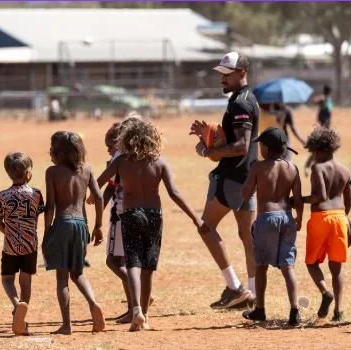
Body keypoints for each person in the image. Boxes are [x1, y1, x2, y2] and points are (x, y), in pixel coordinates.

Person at [98, 116, 206, 331]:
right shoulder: (160, 162)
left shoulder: (121, 162)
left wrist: (91, 197)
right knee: (148, 267)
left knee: (133, 264)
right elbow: (174, 193)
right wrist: (196, 218)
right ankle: (144, 316)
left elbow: (100, 182)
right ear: (154, 138)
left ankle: (136, 307)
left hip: (130, 215)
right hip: (154, 216)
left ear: (126, 139)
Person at [190, 51, 259, 308]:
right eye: (222, 75)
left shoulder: (240, 103)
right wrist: (209, 137)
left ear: (242, 73)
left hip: (232, 176)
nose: (223, 80)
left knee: (205, 226)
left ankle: (234, 286)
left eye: (227, 75)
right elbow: (235, 141)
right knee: (246, 235)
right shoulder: (247, 99)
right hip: (246, 175)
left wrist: (209, 151)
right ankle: (253, 294)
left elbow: (241, 145)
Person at [43, 131, 105, 335]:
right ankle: (93, 303)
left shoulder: (52, 172)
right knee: (78, 273)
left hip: (62, 223)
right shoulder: (86, 169)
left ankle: (66, 324)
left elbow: (50, 206)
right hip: (81, 225)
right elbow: (99, 197)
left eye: (52, 149)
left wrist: (46, 231)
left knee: (62, 279)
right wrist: (98, 226)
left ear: (59, 152)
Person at [241, 127, 303, 326]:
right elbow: (299, 199)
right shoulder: (292, 168)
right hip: (287, 217)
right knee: (288, 266)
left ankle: (260, 309)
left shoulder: (258, 167)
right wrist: (299, 218)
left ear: (266, 149)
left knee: (261, 266)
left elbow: (245, 193)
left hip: (266, 218)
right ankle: (294, 311)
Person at [301, 127, 351, 322]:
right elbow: (349, 201)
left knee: (312, 262)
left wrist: (297, 200)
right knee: (336, 266)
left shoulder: (318, 168)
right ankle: (339, 310)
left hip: (321, 217)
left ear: (318, 149)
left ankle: (325, 292)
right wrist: (345, 219)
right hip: (339, 217)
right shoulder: (345, 170)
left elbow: (319, 197)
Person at [0, 152, 45, 335]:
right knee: (26, 280)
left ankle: (16, 306)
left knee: (7, 279)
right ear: (28, 173)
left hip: (10, 245)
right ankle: (22, 310)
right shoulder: (36, 194)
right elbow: (37, 217)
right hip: (30, 243)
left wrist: (11, 232)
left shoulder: (3, 195)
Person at [101, 122, 133, 324]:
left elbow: (107, 188)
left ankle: (139, 294)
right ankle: (132, 308)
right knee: (124, 262)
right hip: (131, 212)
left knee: (112, 261)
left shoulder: (118, 159)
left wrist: (97, 213)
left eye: (110, 144)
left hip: (120, 215)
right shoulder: (132, 157)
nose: (108, 149)